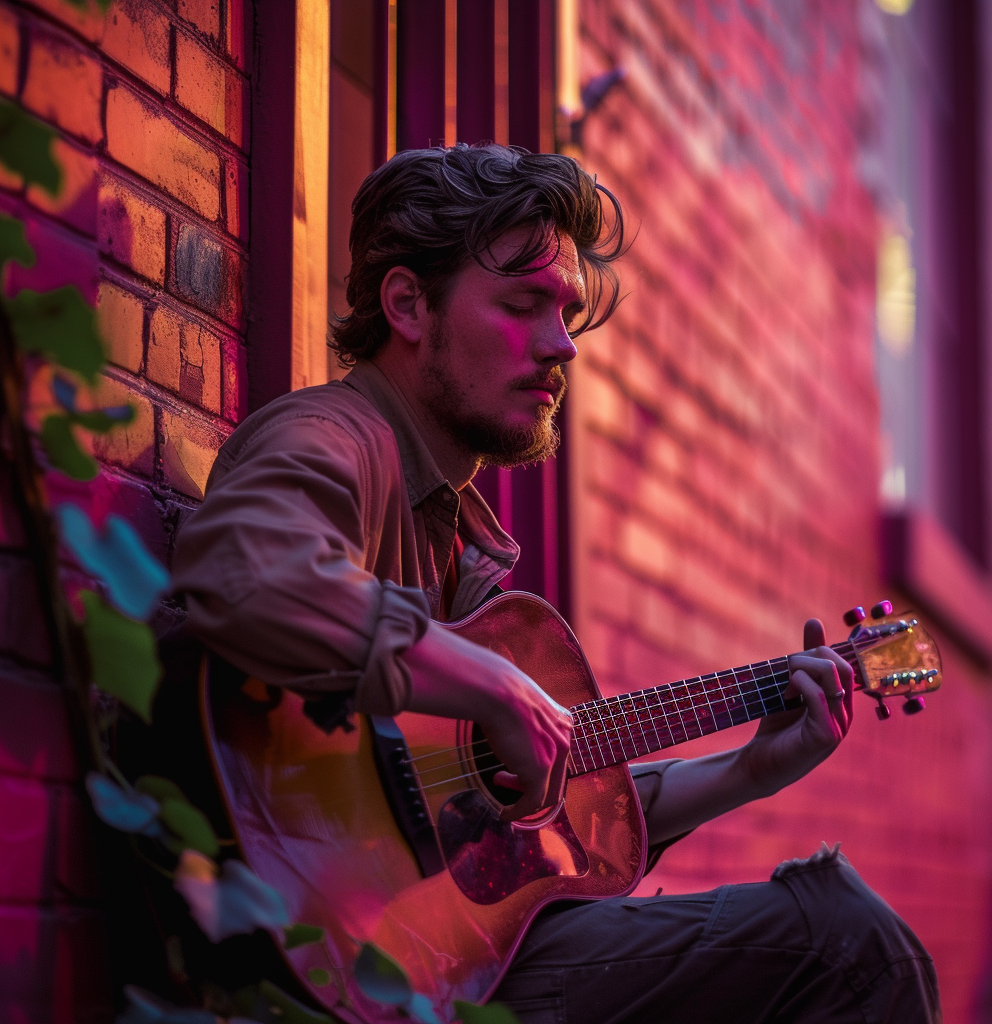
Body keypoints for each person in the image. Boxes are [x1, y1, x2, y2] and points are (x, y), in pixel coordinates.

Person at [172, 144, 939, 1023]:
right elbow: (241, 569)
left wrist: (751, 769)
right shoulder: (332, 437)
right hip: (315, 956)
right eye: (523, 304)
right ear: (408, 304)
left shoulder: (457, 534)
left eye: (568, 310)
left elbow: (549, 833)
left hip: (432, 959)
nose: (562, 344)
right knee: (844, 942)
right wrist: (493, 680)